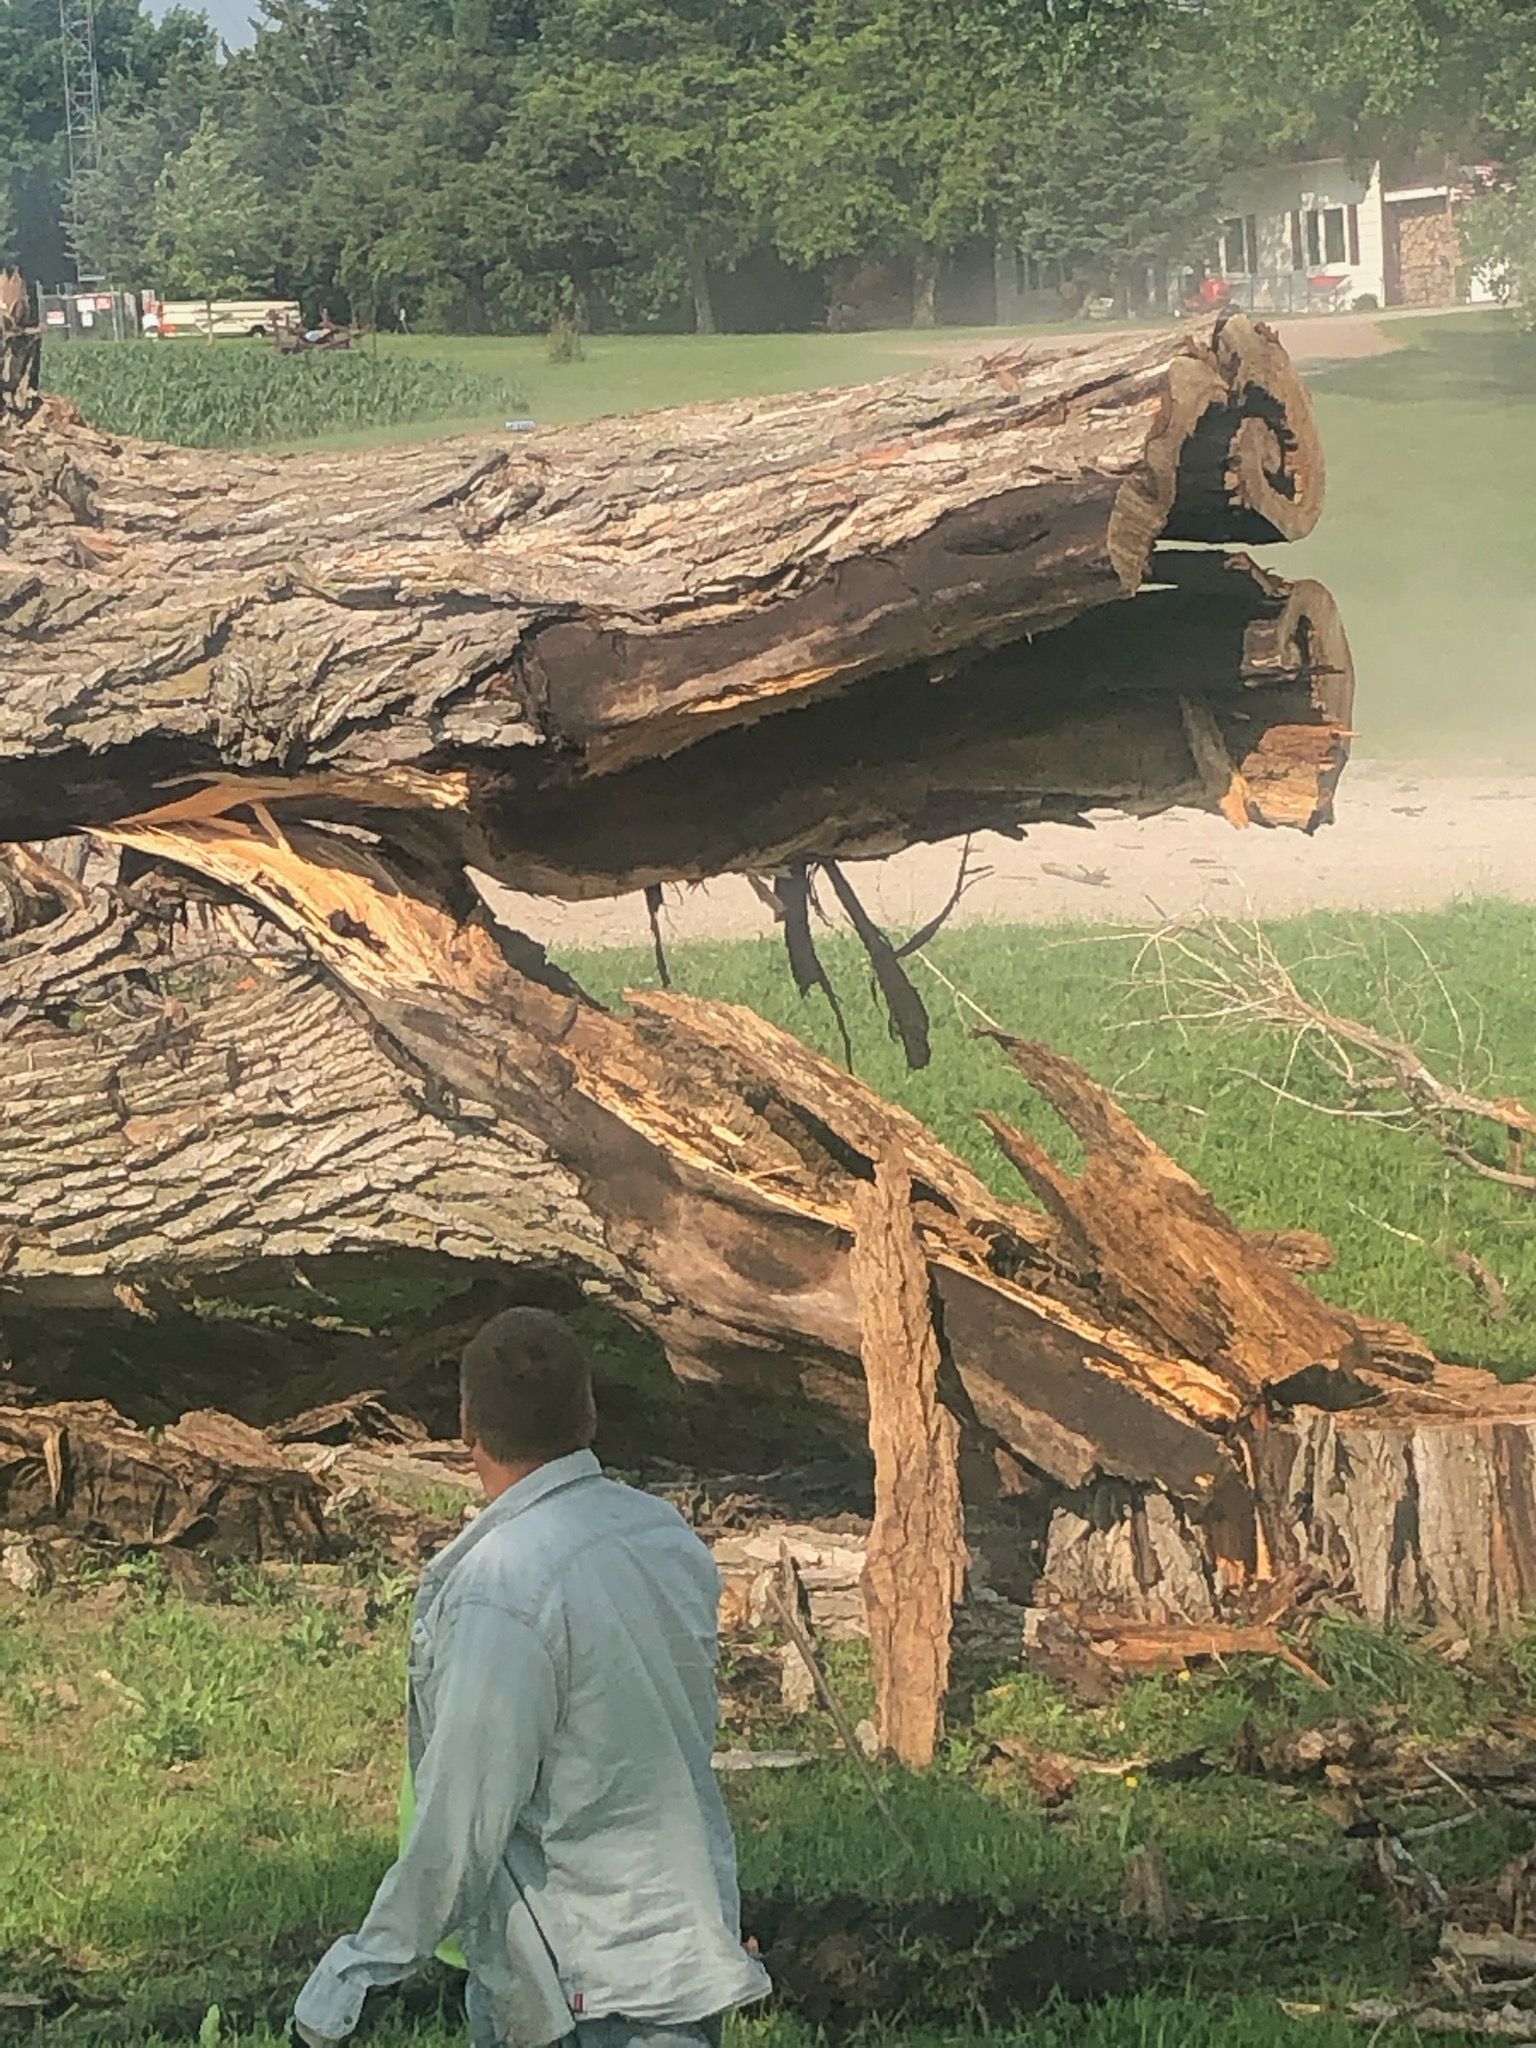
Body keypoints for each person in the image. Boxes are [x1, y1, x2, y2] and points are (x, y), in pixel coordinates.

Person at [289, 1308, 770, 2048]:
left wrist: (351, 1978)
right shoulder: (665, 1538)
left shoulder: (503, 1586)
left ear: (465, 1426)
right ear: (591, 1412)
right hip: (683, 1958)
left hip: (580, 1987)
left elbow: (460, 1823)